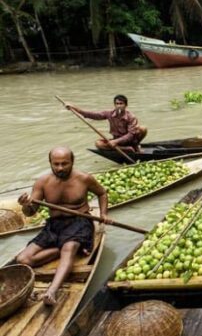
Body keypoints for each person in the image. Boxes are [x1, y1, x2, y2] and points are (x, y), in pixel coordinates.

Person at [16, 147, 110, 306]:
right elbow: (31, 212)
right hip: (54, 225)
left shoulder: (84, 178)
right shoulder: (42, 182)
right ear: (50, 163)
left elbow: (102, 193)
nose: (60, 168)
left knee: (69, 247)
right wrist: (25, 205)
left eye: (65, 164)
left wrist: (104, 214)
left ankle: (52, 291)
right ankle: (61, 250)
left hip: (80, 221)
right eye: (56, 164)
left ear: (72, 162)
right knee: (23, 259)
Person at [66, 95, 147, 152]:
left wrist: (116, 142)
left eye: (121, 104)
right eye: (117, 104)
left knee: (143, 128)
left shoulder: (131, 117)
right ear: (114, 105)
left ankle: (135, 146)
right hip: (117, 140)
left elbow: (131, 135)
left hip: (129, 140)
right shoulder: (109, 113)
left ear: (126, 105)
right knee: (98, 144)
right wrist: (74, 108)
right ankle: (126, 149)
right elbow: (92, 115)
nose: (119, 106)